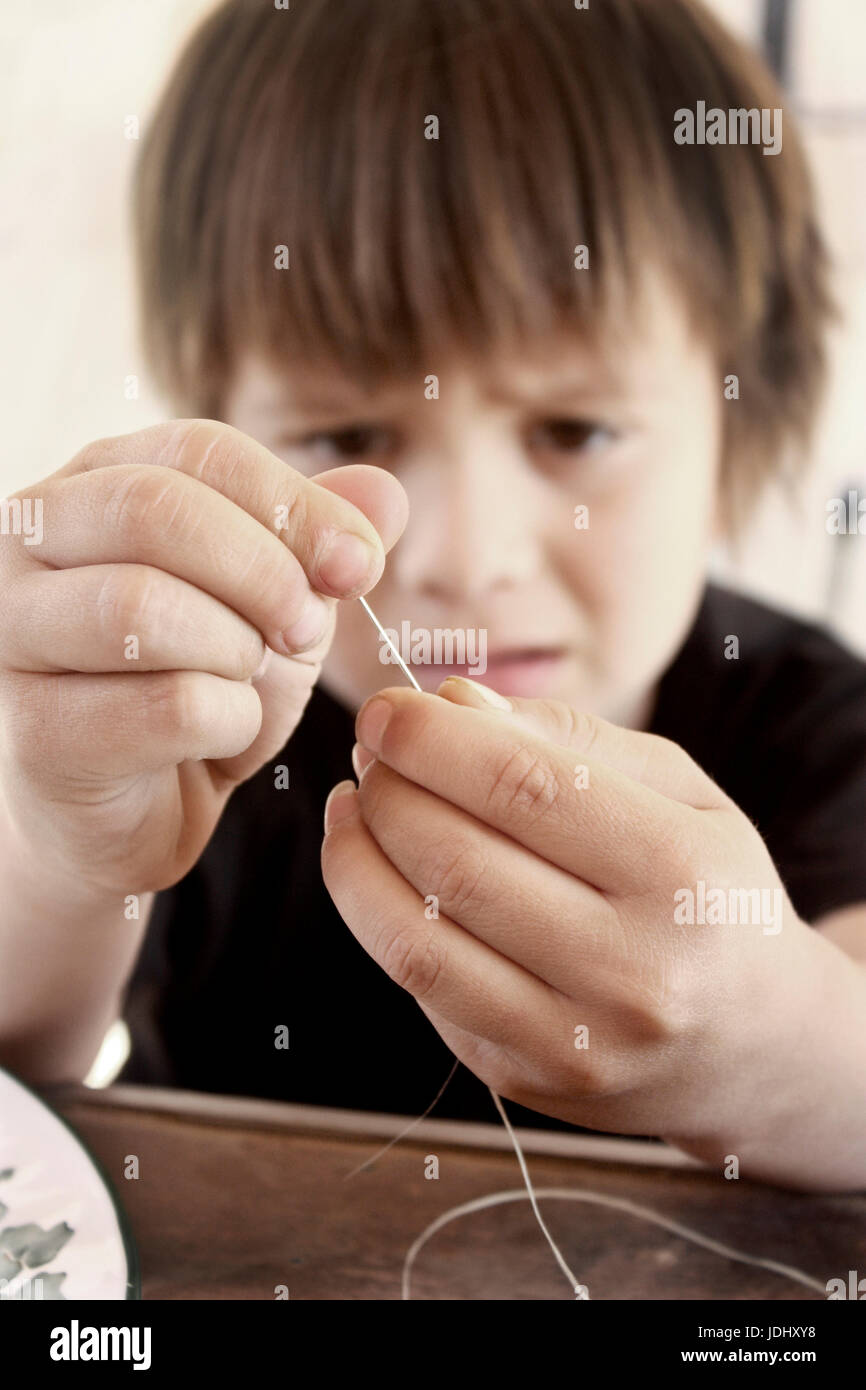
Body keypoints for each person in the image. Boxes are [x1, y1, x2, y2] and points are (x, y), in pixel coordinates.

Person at [1, 0, 864, 1193]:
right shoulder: (190, 716)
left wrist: (777, 1044)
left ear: (738, 411)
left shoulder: (816, 733)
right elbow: (23, 1100)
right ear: (216, 420)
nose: (466, 556)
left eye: (576, 429)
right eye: (346, 430)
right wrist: (62, 852)